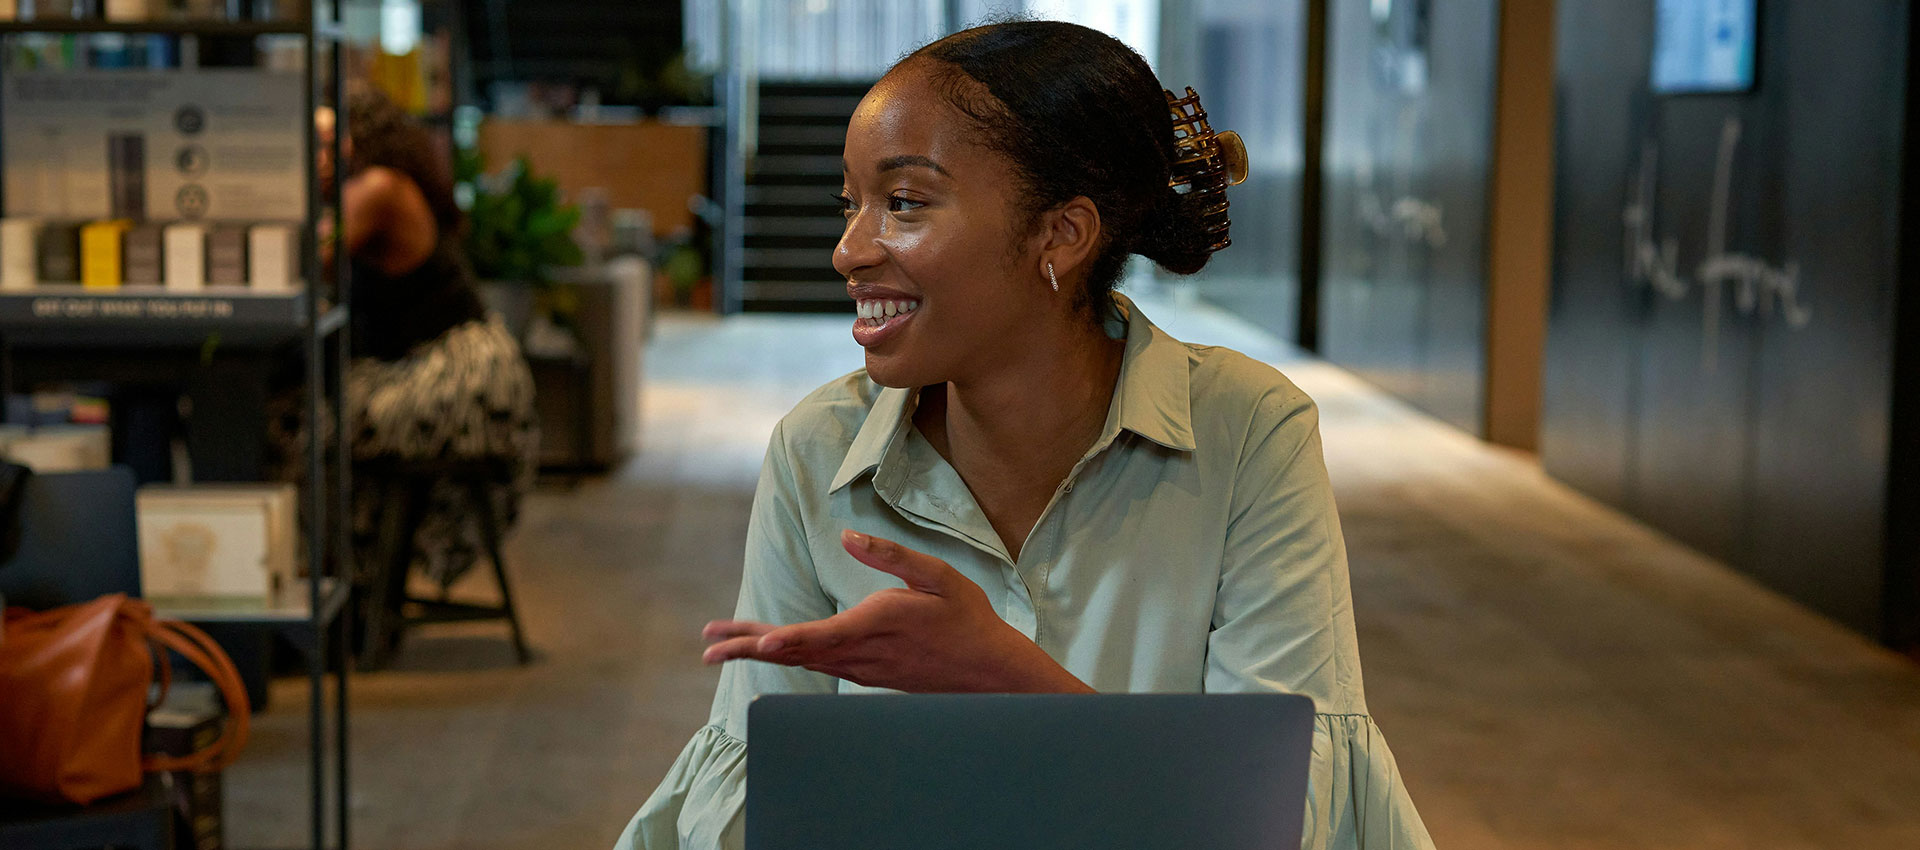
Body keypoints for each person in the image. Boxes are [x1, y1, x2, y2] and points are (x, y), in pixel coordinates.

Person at [616, 20, 1433, 850]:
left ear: (1062, 234)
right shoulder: (818, 450)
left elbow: (1279, 813)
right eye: (851, 202)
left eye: (903, 203)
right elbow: (757, 797)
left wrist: (1001, 678)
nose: (848, 251)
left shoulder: (1250, 432)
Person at [293, 87, 537, 603]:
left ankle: (334, 590)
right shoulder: (373, 186)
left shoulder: (378, 187)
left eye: (328, 142)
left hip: (462, 377)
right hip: (436, 365)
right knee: (314, 412)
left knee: (308, 425)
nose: (317, 157)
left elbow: (308, 260)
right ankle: (351, 584)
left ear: (367, 140)